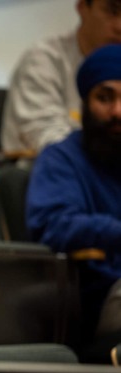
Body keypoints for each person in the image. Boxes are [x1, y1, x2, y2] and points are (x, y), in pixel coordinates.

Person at [26, 44, 121, 343]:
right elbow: (53, 224)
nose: (118, 111)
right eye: (105, 98)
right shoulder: (61, 159)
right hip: (101, 295)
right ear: (84, 102)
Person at [0, 0, 121, 155]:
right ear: (82, 8)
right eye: (112, 10)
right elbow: (47, 139)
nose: (119, 26)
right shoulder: (43, 60)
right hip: (42, 172)